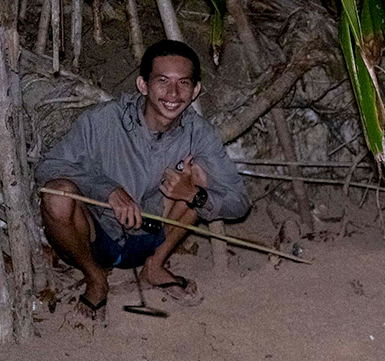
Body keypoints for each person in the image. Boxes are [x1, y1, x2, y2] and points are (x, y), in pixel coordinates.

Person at [36, 39, 249, 321]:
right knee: (57, 194)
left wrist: (192, 194)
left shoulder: (199, 134)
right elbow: (48, 167)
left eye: (183, 83)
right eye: (162, 81)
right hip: (96, 237)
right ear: (143, 85)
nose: (173, 93)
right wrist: (107, 190)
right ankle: (95, 278)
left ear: (195, 90)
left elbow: (239, 203)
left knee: (198, 174)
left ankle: (155, 267)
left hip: (153, 234)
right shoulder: (103, 121)